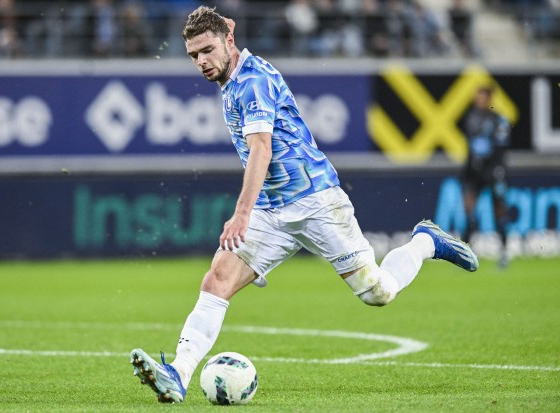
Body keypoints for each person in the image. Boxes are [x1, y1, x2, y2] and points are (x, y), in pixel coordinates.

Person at [129, 6, 479, 403]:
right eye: (194, 56)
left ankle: (425, 242)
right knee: (216, 281)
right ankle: (178, 373)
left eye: (207, 51)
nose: (201, 62)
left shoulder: (253, 82)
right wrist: (254, 210)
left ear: (229, 38)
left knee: (377, 293)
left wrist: (240, 213)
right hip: (270, 209)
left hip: (315, 201)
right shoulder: (231, 81)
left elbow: (262, 149)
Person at [460, 85, 511, 268]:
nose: (479, 100)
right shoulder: (470, 118)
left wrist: (499, 170)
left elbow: (501, 149)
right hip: (475, 173)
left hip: (493, 173)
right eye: (477, 97)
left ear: (489, 99)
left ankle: (504, 253)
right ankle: (465, 255)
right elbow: (470, 149)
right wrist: (466, 171)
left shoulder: (498, 120)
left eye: (483, 97)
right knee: (469, 212)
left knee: (499, 212)